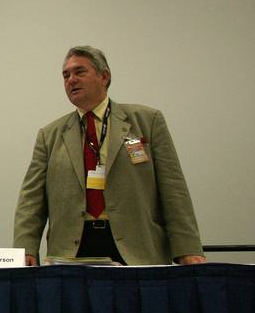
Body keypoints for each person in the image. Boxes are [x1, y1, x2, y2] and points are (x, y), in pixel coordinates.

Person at [13, 46, 206, 266]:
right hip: (71, 252)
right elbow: (31, 200)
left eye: (79, 72)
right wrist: (25, 249)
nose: (71, 80)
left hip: (137, 251)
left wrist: (188, 249)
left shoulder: (147, 121)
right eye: (66, 75)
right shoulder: (49, 135)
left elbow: (173, 190)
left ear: (104, 76)